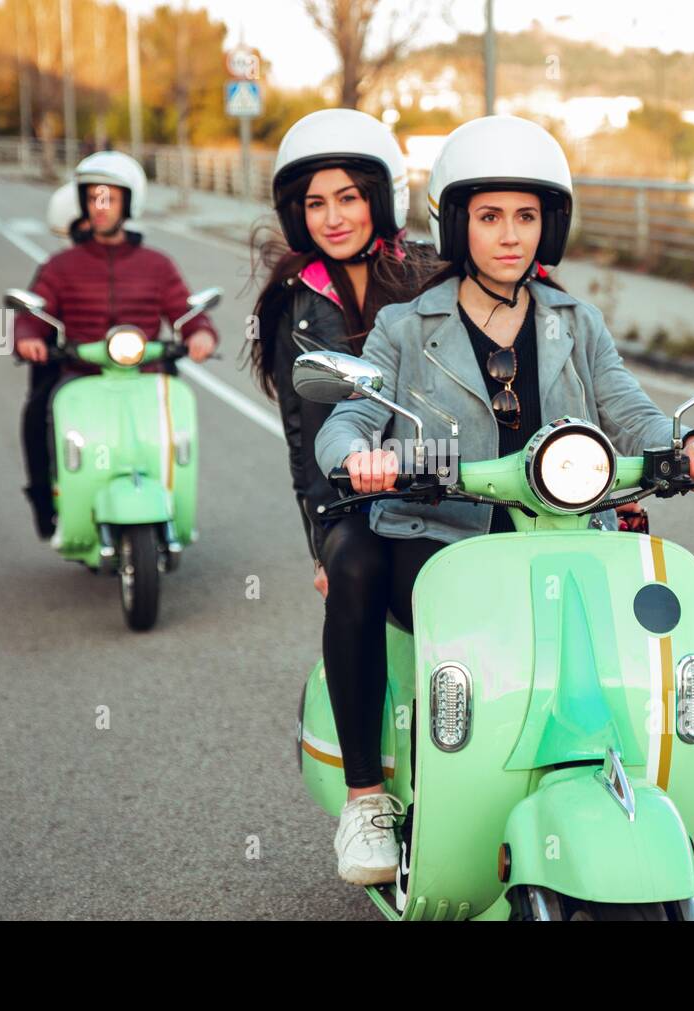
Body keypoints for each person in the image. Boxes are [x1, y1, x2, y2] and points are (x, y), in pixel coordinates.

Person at [313, 115, 694, 894]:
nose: (511, 235)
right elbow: (349, 417)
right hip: (441, 534)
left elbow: (631, 411)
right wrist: (357, 456)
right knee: (354, 560)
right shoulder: (406, 327)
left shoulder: (577, 322)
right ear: (457, 222)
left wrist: (692, 439)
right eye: (490, 215)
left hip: (566, 524)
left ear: (551, 224)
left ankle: (603, 775)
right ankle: (368, 797)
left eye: (527, 215)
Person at [247, 108, 437, 885]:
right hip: (352, 499)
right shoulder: (298, 299)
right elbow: (306, 434)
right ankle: (366, 797)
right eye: (317, 203)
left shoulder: (429, 272)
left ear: (379, 199)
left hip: (449, 482)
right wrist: (322, 540)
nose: (333, 217)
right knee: (358, 571)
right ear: (297, 211)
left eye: (350, 198)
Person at [15, 151, 219, 539]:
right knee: (38, 414)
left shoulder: (156, 264)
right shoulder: (60, 266)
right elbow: (34, 313)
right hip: (81, 373)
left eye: (110, 197)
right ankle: (48, 503)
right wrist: (27, 338)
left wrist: (200, 332)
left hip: (146, 373)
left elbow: (184, 309)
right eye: (93, 198)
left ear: (129, 203)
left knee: (175, 431)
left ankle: (175, 502)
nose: (101, 207)